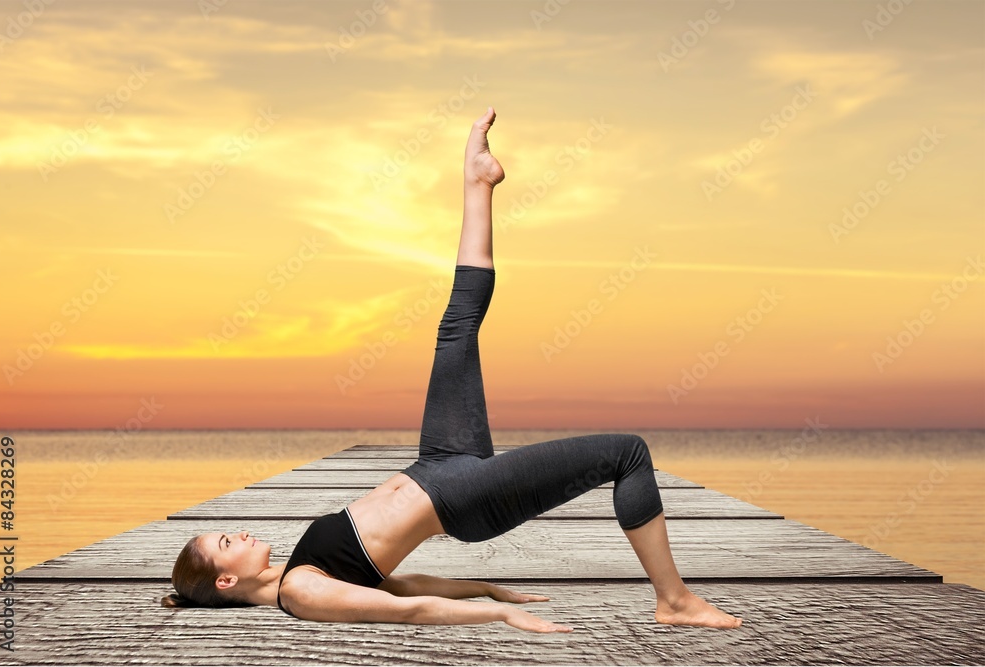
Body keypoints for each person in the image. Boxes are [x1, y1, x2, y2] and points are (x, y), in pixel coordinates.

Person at [161, 107, 743, 632]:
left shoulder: (300, 571)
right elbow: (406, 610)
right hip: (461, 499)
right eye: (224, 542)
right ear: (226, 582)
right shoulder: (303, 592)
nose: (235, 533)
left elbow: (404, 585)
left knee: (456, 324)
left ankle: (477, 181)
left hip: (438, 462)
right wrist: (497, 613)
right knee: (627, 454)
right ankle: (675, 600)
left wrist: (481, 586)